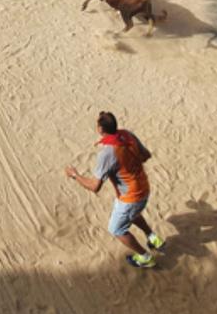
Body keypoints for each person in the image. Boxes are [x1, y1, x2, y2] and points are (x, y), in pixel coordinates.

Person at [64, 111, 165, 269]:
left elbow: (95, 187)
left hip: (130, 197)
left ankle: (145, 257)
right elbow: (146, 155)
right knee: (133, 214)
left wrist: (75, 175)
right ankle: (152, 237)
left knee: (117, 229)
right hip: (143, 187)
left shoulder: (107, 154)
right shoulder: (127, 135)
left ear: (100, 130)